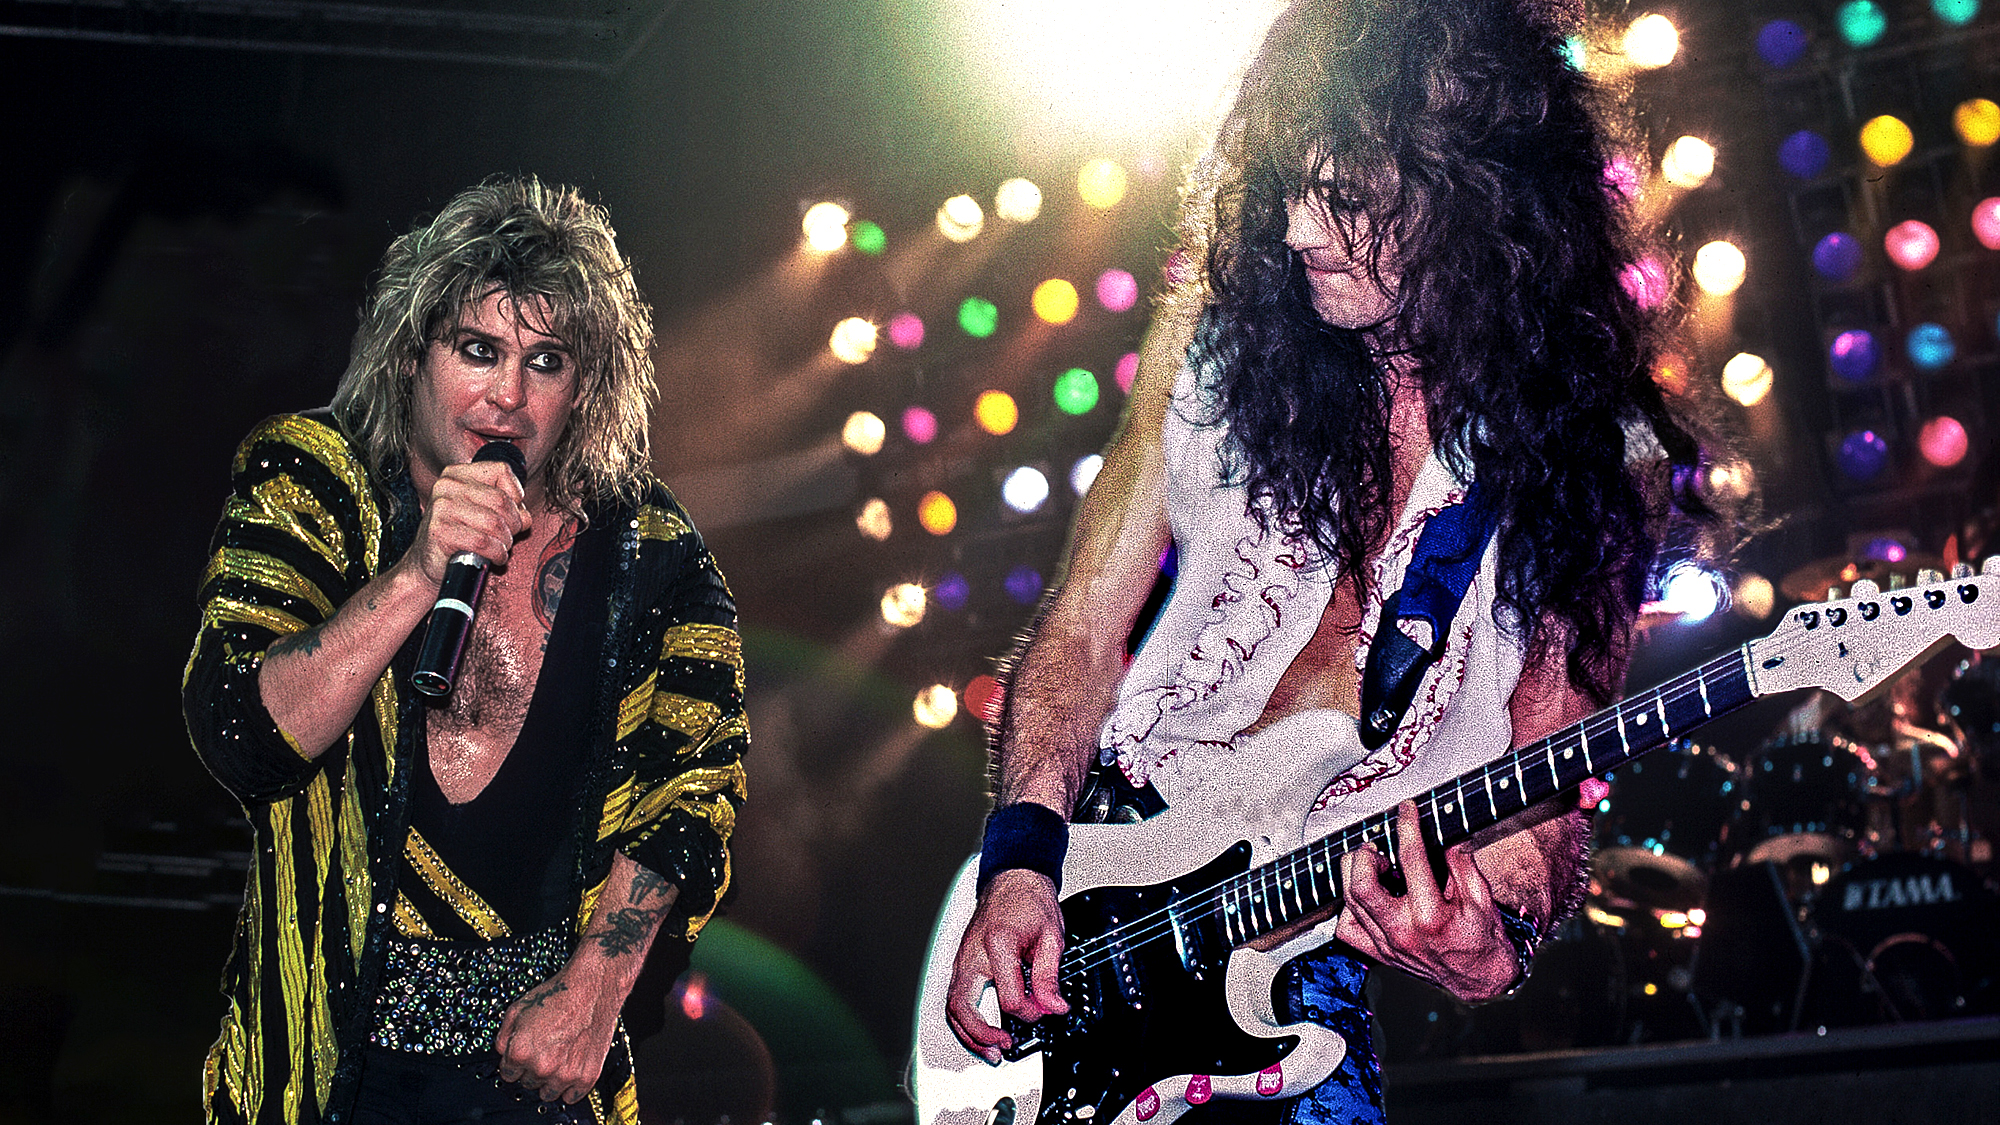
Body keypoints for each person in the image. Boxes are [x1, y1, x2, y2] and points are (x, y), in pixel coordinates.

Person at [943, 0, 1719, 1120]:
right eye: (1287, 189)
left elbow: (1544, 771)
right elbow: (1075, 633)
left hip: (1288, 976)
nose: (1298, 230)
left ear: (1469, 199)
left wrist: (1494, 939)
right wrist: (1018, 864)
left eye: (1343, 198)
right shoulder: (1208, 349)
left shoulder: (1593, 458)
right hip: (1099, 883)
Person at [184, 175, 749, 1125]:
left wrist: (594, 996)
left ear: (587, 387)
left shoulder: (651, 549)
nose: (507, 396)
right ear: (413, 355)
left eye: (547, 361)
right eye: (478, 350)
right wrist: (416, 571)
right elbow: (244, 733)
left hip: (541, 1068)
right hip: (326, 1064)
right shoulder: (312, 479)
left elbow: (697, 789)